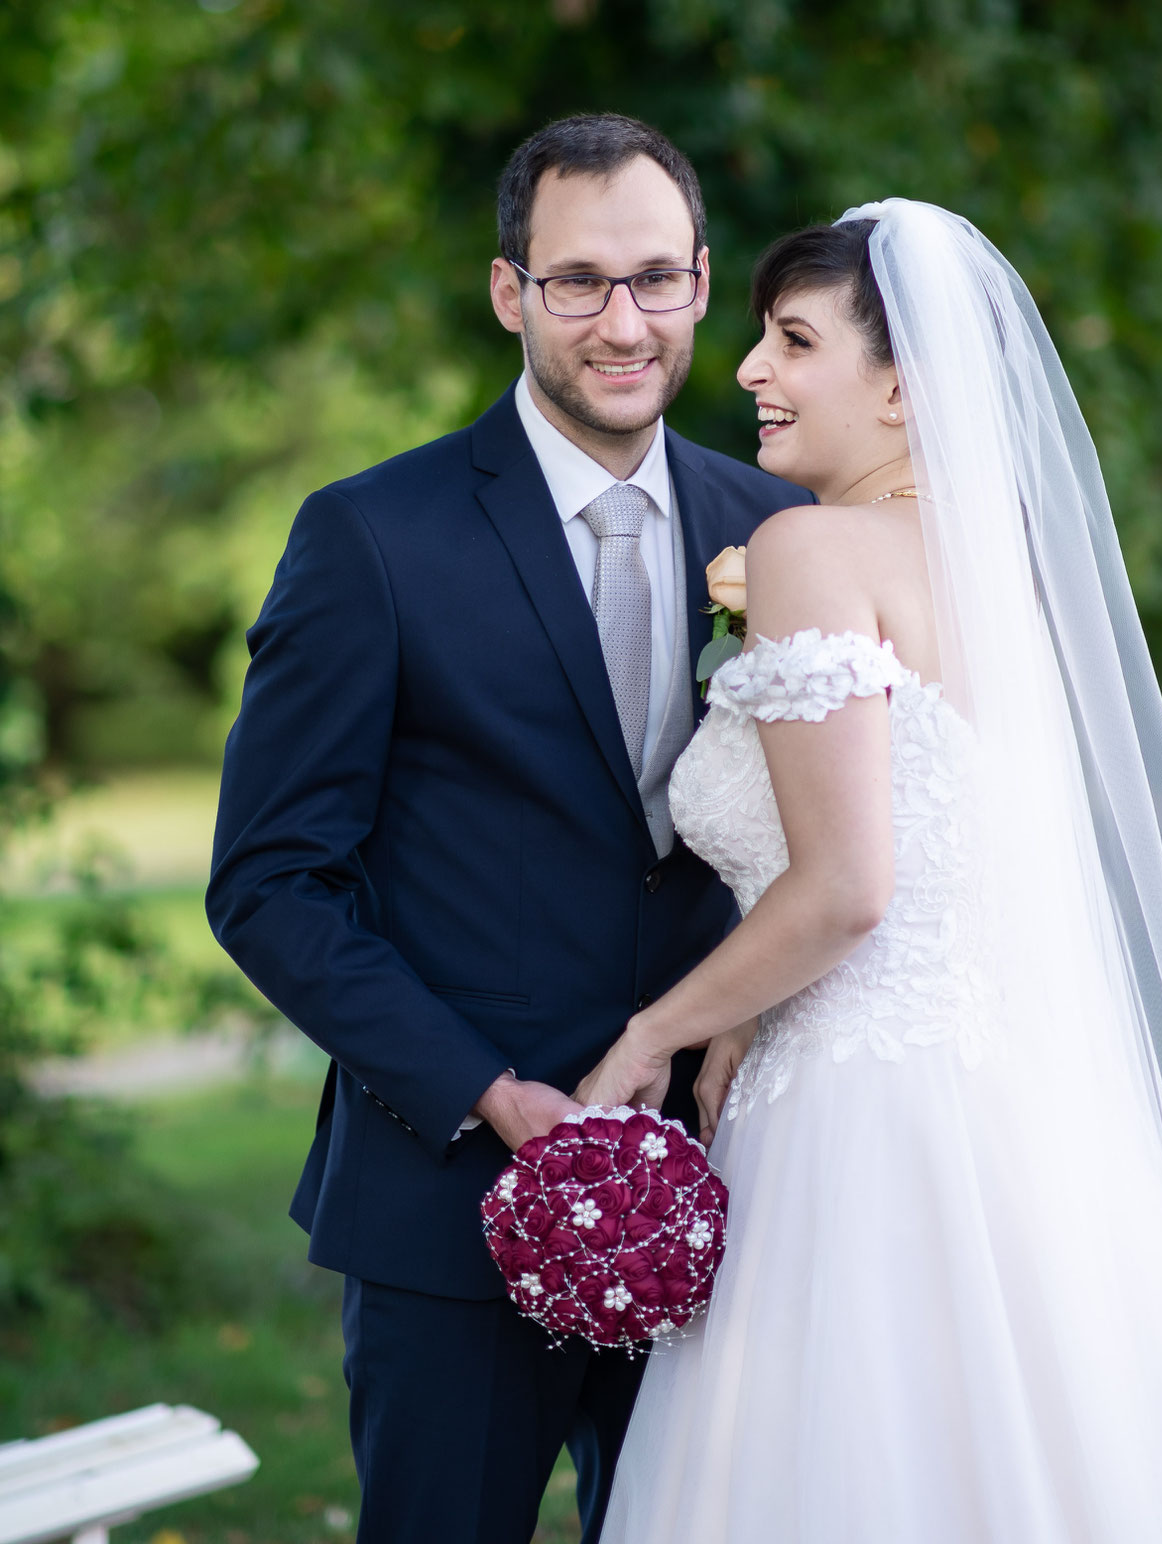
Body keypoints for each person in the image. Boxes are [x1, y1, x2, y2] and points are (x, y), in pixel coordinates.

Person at [579, 201, 1162, 1542]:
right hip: (1014, 1108)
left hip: (858, 1124)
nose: (750, 372)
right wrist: (753, 1008)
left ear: (904, 388)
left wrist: (655, 1031)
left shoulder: (805, 549)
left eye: (791, 341)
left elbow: (848, 888)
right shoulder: (1004, 579)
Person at [206, 114, 809, 1544]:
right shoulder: (372, 536)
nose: (623, 321)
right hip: (451, 1210)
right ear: (508, 292)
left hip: (728, 1195)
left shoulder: (776, 525)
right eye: (579, 281)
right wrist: (485, 1092)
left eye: (655, 279)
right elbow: (272, 882)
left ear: (703, 284)